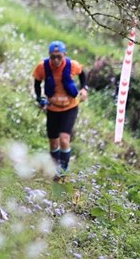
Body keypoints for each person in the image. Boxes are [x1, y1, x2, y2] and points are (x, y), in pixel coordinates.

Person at [32, 40, 88, 178]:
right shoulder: (42, 67)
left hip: (70, 107)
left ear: (64, 55)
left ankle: (63, 169)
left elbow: (82, 73)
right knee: (53, 141)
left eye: (59, 57)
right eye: (53, 57)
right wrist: (40, 99)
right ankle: (54, 165)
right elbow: (37, 83)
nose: (56, 60)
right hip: (52, 108)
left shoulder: (72, 65)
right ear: (49, 55)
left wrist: (84, 88)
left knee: (64, 139)